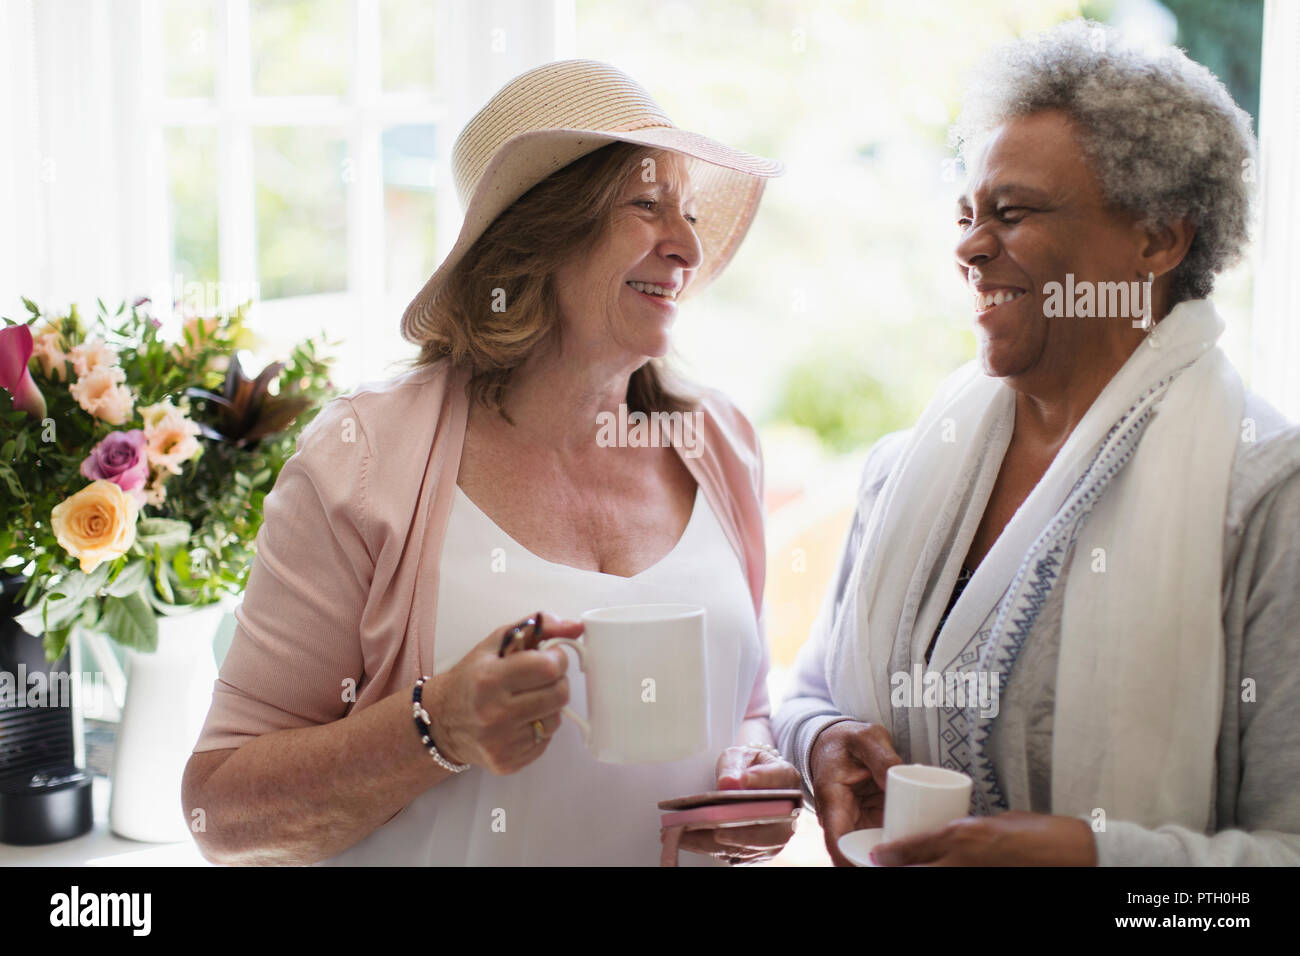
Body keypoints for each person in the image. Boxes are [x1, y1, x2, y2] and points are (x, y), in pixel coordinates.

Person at [182, 59, 800, 866]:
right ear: (541, 236)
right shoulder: (364, 459)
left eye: (687, 213)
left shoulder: (719, 440)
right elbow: (221, 812)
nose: (686, 246)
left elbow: (748, 702)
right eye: (648, 206)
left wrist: (754, 768)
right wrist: (436, 726)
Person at [775, 19, 1300, 866]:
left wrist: (1101, 862)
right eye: (966, 215)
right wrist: (821, 739)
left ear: (1159, 239)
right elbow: (805, 689)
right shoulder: (907, 468)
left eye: (1012, 213)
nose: (969, 247)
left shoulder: (1268, 496)